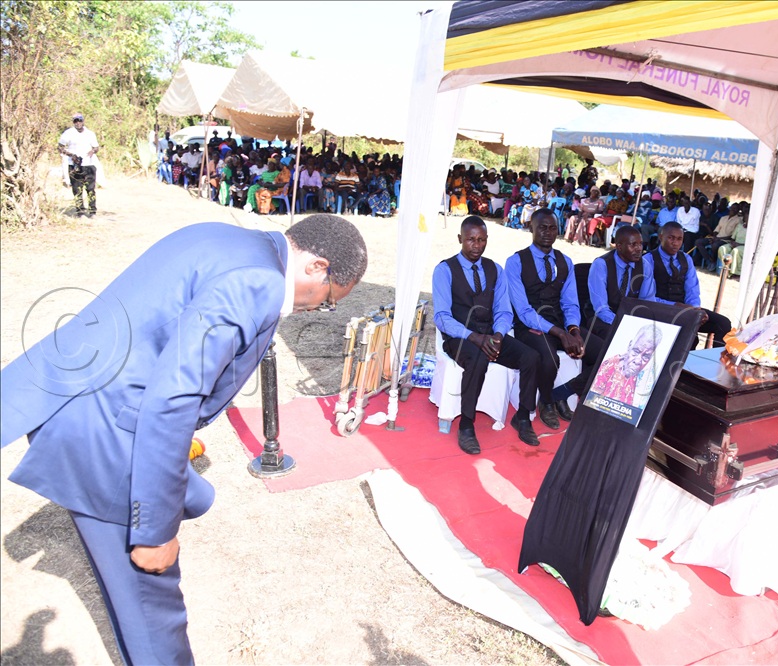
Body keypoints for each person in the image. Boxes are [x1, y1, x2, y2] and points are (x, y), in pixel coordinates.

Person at [0, 214, 368, 665]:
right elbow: (171, 400)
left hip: (73, 395)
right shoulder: (259, 283)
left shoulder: (223, 235)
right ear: (317, 267)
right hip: (107, 433)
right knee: (153, 611)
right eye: (329, 300)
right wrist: (155, 530)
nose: (316, 309)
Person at [432, 216, 541, 454]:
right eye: (471, 240)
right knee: (478, 360)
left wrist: (500, 334)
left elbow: (503, 310)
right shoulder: (444, 270)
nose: (476, 245)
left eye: (481, 240)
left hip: (491, 334)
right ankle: (467, 425)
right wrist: (472, 336)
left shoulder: (495, 269)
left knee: (531, 357)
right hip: (459, 337)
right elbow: (441, 317)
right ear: (460, 239)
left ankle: (523, 417)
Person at [506, 208, 604, 427]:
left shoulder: (565, 261)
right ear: (531, 227)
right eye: (542, 227)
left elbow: (570, 303)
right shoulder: (516, 262)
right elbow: (522, 310)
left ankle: (563, 392)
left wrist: (573, 330)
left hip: (560, 322)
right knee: (549, 358)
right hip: (529, 325)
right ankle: (547, 402)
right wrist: (560, 333)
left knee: (607, 356)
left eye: (552, 228)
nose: (548, 232)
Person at [646, 222, 731, 347]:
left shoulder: (686, 258)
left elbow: (692, 289)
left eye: (679, 239)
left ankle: (716, 362)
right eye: (671, 238)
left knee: (723, 323)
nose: (675, 243)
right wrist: (675, 305)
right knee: (689, 338)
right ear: (661, 237)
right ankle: (683, 365)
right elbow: (647, 297)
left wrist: (695, 309)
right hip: (661, 310)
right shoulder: (648, 260)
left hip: (686, 309)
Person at [586, 226, 657, 340]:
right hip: (601, 318)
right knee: (614, 335)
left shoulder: (645, 266)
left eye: (640, 244)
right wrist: (623, 325)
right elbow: (601, 308)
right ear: (619, 246)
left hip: (630, 318)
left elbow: (648, 303)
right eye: (633, 245)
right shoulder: (601, 265)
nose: (639, 249)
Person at [590, 323, 663, 410]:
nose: (637, 361)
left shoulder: (646, 378)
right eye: (636, 351)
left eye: (645, 357)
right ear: (630, 346)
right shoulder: (610, 366)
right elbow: (591, 402)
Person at [58, 112, 99, 216]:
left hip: (88, 164)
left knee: (90, 189)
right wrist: (71, 155)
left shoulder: (90, 133)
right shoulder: (68, 133)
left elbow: (96, 147)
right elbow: (60, 147)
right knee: (77, 189)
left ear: (83, 121)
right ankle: (80, 211)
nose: (78, 123)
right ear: (73, 122)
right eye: (75, 121)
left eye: (80, 120)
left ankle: (92, 210)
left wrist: (92, 151)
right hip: (74, 164)